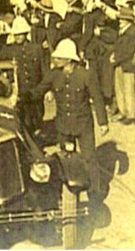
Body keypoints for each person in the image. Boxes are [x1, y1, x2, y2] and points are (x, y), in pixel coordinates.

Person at [34, 38, 108, 202]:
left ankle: (94, 193)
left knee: (89, 158)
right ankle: (65, 193)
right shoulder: (54, 75)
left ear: (68, 60)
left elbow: (97, 98)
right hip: (63, 125)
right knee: (64, 159)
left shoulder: (86, 75)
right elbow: (38, 91)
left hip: (83, 125)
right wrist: (20, 97)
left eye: (59, 58)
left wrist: (103, 122)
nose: (55, 60)